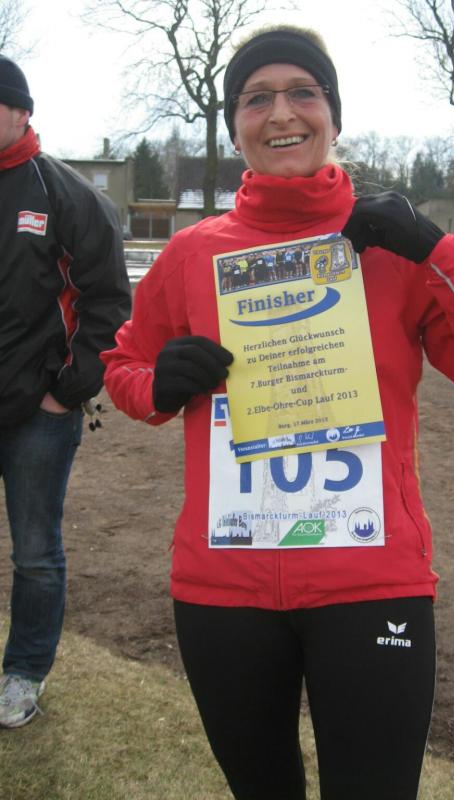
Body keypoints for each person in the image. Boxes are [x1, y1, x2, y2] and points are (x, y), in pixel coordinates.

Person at [101, 26, 454, 800]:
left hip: (370, 583)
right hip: (224, 586)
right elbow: (124, 366)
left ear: (333, 117)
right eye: (256, 99)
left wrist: (435, 250)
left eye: (302, 93)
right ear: (235, 127)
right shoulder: (190, 254)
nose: (281, 113)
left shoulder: (393, 247)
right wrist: (158, 385)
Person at [0, 55, 131, 728]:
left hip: (37, 411)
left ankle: (23, 674)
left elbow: (108, 301)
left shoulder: (64, 193)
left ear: (22, 111)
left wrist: (66, 390)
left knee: (35, 551)